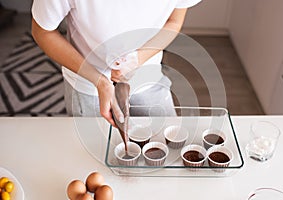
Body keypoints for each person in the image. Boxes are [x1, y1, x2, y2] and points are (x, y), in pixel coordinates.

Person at [31, 0, 202, 126]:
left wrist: (140, 58)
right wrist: (100, 81)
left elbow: (173, 21)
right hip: (88, 86)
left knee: (166, 143)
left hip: (149, 76)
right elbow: (42, 32)